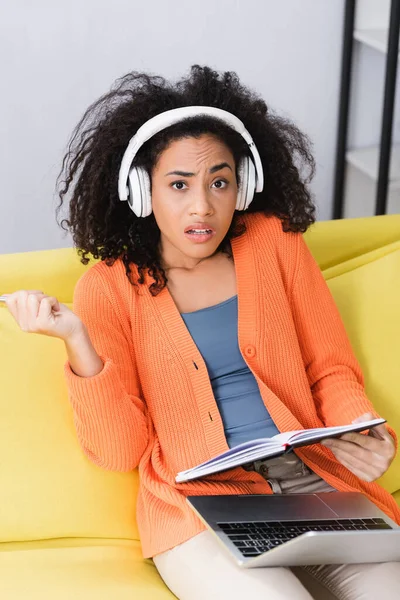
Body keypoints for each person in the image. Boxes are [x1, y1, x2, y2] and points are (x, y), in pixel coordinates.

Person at [4, 65, 400, 599]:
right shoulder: (108, 287)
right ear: (142, 193)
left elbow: (329, 367)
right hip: (199, 504)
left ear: (244, 184)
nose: (202, 206)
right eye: (178, 184)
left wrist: (360, 430)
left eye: (220, 181)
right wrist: (78, 342)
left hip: (314, 480)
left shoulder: (275, 243)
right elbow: (121, 452)